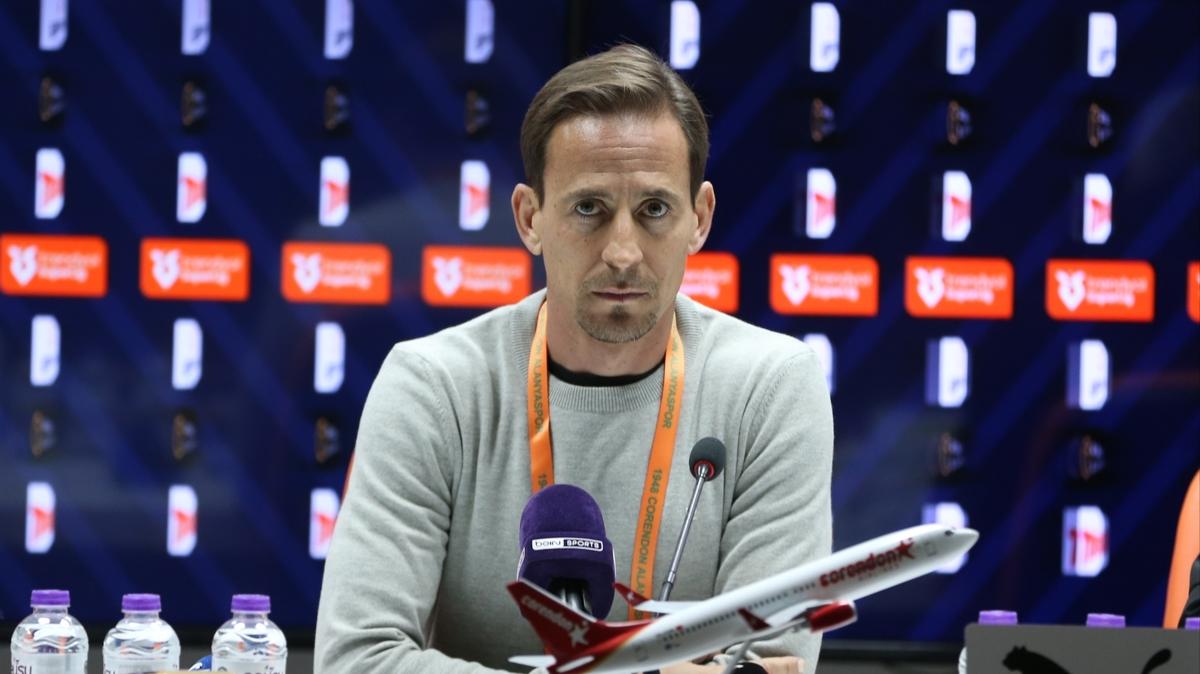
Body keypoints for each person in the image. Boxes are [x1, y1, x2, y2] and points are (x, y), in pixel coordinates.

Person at [314, 44, 833, 674]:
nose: (622, 252)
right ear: (529, 218)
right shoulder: (432, 386)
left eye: (654, 210)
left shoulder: (771, 387)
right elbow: (356, 660)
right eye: (589, 208)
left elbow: (773, 662)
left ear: (699, 218)